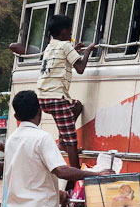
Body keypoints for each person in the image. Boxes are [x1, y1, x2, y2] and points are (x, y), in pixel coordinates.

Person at [36, 14, 96, 169]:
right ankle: (74, 177)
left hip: (42, 98)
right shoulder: (65, 45)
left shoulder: (50, 46)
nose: (71, 35)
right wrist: (88, 50)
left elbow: (64, 59)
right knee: (72, 141)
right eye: (70, 31)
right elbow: (80, 68)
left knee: (77, 106)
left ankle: (62, 140)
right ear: (64, 32)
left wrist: (75, 50)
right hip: (56, 98)